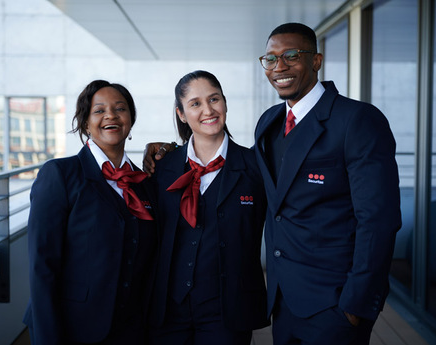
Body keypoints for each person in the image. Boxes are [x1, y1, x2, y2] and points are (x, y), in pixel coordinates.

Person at [144, 23, 402, 345]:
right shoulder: (270, 122)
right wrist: (167, 151)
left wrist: (357, 304)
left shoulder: (357, 120)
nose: (279, 66)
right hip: (283, 303)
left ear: (316, 61)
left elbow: (379, 220)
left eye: (291, 55)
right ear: (181, 113)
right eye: (271, 59)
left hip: (334, 304)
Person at [23, 80, 158, 345]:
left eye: (120, 108)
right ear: (85, 123)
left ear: (130, 120)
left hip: (132, 329)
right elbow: (42, 266)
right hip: (71, 327)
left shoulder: (145, 183)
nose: (111, 115)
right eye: (99, 110)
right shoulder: (61, 175)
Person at [149, 70, 269, 345]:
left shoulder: (255, 167)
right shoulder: (162, 167)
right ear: (181, 113)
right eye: (195, 104)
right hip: (169, 308)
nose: (208, 110)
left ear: (225, 103)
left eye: (214, 99)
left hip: (228, 310)